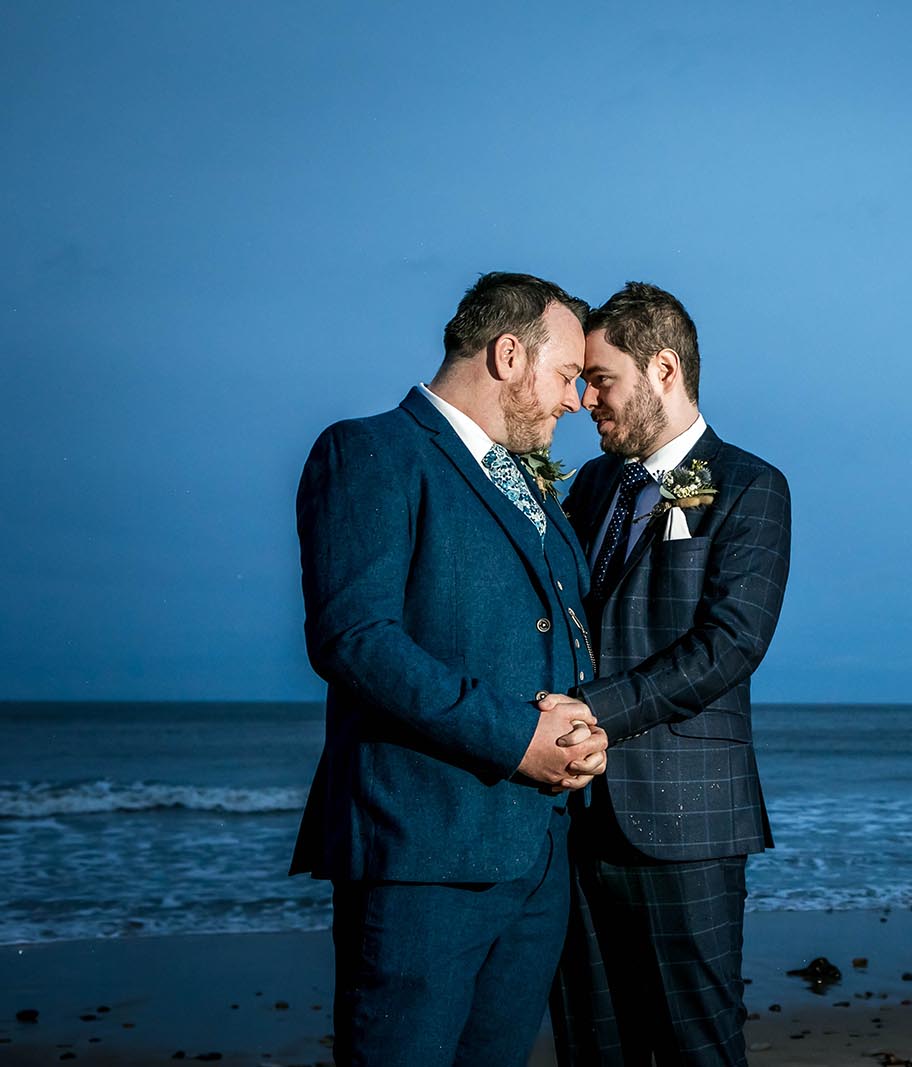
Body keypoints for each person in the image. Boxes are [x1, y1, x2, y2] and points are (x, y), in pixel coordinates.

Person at [290, 272, 610, 1067]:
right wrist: (517, 738)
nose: (576, 400)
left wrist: (585, 732)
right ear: (509, 355)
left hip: (537, 855)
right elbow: (356, 638)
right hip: (423, 855)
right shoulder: (372, 451)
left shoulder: (530, 485)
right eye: (567, 374)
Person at [546, 282, 792, 1067]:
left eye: (601, 380)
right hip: (574, 818)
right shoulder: (590, 486)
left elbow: (730, 643)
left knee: (697, 1050)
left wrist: (595, 711)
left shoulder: (748, 484)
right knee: (592, 1048)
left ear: (662, 369)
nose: (586, 400)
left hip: (687, 821)